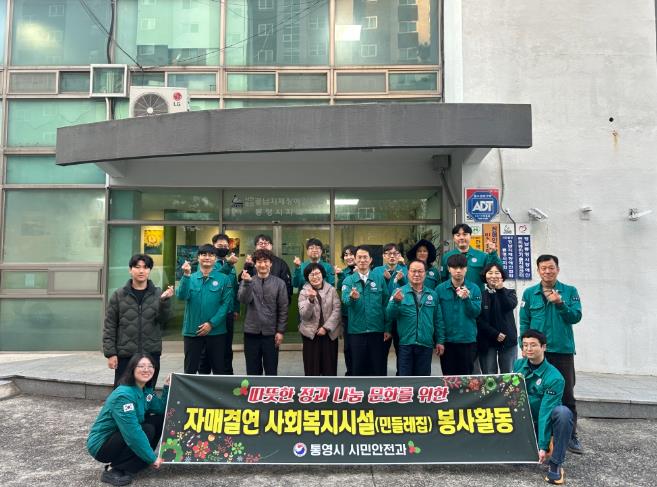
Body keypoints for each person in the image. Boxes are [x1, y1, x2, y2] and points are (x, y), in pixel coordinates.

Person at [520, 254, 583, 454]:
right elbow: (524, 321)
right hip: (538, 353)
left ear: (558, 269)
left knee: (567, 395)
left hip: (562, 351)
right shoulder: (530, 293)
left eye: (551, 267)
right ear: (538, 270)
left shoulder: (569, 291)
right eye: (543, 268)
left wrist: (560, 303)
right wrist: (525, 346)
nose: (547, 271)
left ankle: (570, 435)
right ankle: (537, 434)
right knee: (533, 393)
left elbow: (576, 316)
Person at [87, 353, 168, 486]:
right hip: (102, 445)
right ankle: (114, 469)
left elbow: (161, 409)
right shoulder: (124, 395)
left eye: (150, 366)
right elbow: (132, 433)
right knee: (145, 429)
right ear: (132, 369)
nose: (146, 369)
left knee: (159, 420)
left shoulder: (145, 390)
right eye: (141, 366)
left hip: (120, 435)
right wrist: (152, 458)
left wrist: (167, 387)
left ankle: (138, 461)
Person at [103, 254, 173, 387]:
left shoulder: (158, 293)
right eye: (137, 267)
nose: (141, 271)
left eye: (145, 267)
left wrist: (164, 301)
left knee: (148, 392)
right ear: (130, 270)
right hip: (125, 354)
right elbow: (109, 326)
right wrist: (111, 353)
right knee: (123, 391)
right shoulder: (119, 295)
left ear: (150, 270)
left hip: (150, 353)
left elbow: (164, 320)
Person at [514, 329, 574, 485]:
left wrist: (543, 445)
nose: (528, 349)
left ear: (543, 347)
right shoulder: (518, 365)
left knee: (563, 413)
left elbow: (545, 412)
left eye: (533, 345)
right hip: (525, 421)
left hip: (546, 422)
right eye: (525, 345)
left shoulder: (555, 377)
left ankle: (556, 463)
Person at [176, 244, 232, 374]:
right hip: (193, 331)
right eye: (203, 254)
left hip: (216, 332)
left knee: (219, 370)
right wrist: (186, 275)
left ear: (215, 258)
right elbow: (181, 296)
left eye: (211, 255)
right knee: (190, 370)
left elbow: (225, 305)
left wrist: (211, 324)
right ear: (198, 257)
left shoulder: (223, 279)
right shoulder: (190, 277)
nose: (207, 257)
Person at [386, 260, 444, 376]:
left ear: (425, 274)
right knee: (405, 380)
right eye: (413, 271)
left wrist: (440, 341)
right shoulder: (398, 292)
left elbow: (438, 320)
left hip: (425, 344)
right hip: (405, 344)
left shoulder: (432, 295)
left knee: (422, 381)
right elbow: (389, 315)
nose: (416, 274)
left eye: (420, 271)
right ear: (408, 273)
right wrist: (396, 302)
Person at [340, 246, 391, 376]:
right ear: (355, 260)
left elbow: (386, 304)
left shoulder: (379, 279)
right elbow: (345, 300)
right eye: (359, 257)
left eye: (365, 257)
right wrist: (351, 297)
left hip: (377, 330)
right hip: (356, 331)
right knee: (358, 367)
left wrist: (387, 328)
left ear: (371, 259)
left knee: (377, 367)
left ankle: (377, 389)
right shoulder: (348, 280)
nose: (362, 260)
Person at [238, 249, 289, 375]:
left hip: (271, 333)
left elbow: (283, 309)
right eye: (259, 262)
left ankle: (269, 389)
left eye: (265, 261)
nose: (262, 265)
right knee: (252, 370)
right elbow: (243, 299)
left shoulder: (279, 283)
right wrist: (246, 283)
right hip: (251, 332)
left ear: (270, 263)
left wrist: (280, 331)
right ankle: (254, 388)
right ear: (255, 264)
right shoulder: (249, 280)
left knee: (271, 370)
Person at [435, 253, 482, 375]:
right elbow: (437, 318)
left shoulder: (474, 288)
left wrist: (467, 299)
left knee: (466, 378)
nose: (458, 271)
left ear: (466, 269)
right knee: (449, 378)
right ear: (448, 269)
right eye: (455, 267)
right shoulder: (440, 289)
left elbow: (476, 313)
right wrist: (439, 340)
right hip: (447, 341)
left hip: (467, 340)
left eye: (461, 267)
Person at [298, 263, 342, 376]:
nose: (315, 277)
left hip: (329, 335)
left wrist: (326, 328)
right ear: (307, 277)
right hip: (310, 335)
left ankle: (329, 387)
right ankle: (313, 388)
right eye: (311, 274)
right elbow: (304, 315)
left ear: (322, 274)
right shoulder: (304, 292)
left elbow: (337, 310)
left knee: (329, 368)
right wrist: (310, 300)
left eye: (317, 273)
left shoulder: (331, 290)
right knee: (312, 369)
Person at [476, 262, 518, 374]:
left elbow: (508, 306)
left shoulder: (510, 292)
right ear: (485, 276)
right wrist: (494, 333)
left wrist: (500, 290)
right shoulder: (480, 295)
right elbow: (478, 319)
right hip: (487, 340)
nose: (493, 276)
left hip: (508, 341)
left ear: (502, 276)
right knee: (489, 376)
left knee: (508, 375)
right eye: (490, 273)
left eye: (497, 273)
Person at [373, 243, 407, 374]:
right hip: (382, 318)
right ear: (383, 256)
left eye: (395, 253)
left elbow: (409, 291)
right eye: (388, 253)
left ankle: (400, 379)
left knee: (402, 352)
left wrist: (403, 280)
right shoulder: (377, 271)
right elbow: (375, 293)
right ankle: (381, 380)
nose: (392, 256)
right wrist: (385, 280)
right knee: (381, 352)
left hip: (400, 317)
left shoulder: (405, 270)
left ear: (399, 255)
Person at [439, 223, 503, 290]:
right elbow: (443, 278)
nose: (461, 237)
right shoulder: (447, 256)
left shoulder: (482, 255)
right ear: (454, 238)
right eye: (458, 235)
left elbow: (498, 270)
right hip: (453, 295)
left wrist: (493, 254)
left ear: (470, 236)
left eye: (465, 234)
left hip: (477, 294)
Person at [243, 234, 293, 302]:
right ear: (256, 246)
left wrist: (284, 302)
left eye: (266, 243)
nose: (263, 245)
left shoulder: (281, 263)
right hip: (254, 303)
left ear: (271, 246)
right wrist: (247, 266)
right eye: (260, 243)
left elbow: (287, 286)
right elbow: (243, 283)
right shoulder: (251, 263)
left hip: (275, 303)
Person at [336, 244, 357, 376]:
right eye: (345, 255)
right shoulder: (343, 272)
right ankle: (350, 372)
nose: (348, 257)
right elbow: (340, 288)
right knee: (348, 347)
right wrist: (340, 276)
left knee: (359, 346)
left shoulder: (366, 270)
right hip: (347, 315)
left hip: (360, 315)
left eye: (351, 254)